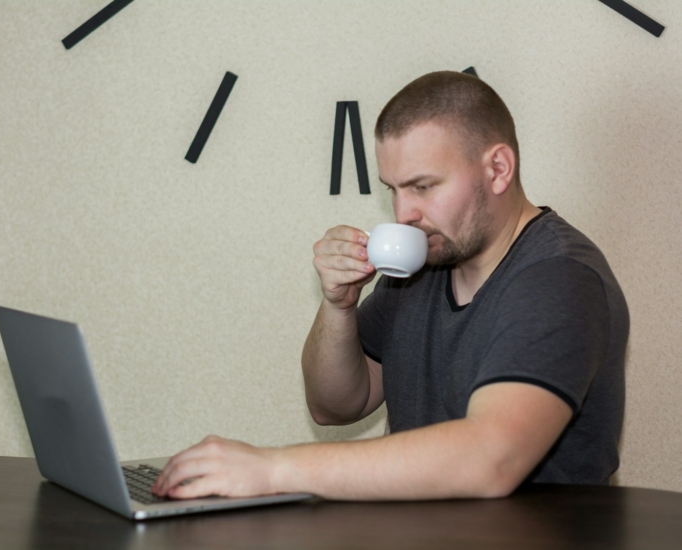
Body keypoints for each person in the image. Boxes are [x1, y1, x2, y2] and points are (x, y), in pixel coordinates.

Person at [153, 71, 628, 501]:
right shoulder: (426, 265)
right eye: (393, 189)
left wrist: (274, 468)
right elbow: (335, 405)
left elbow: (491, 459)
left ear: (498, 168)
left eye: (423, 187)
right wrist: (338, 305)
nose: (404, 215)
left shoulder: (559, 278)